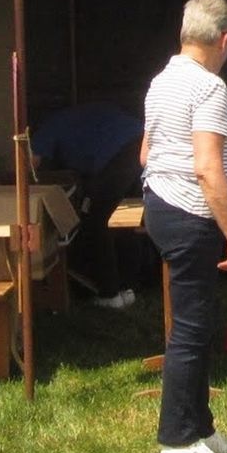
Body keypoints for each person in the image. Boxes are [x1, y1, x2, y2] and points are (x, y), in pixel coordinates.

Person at [141, 0, 227, 453]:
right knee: (190, 329)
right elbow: (208, 169)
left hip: (162, 205)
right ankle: (177, 442)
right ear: (225, 40)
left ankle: (201, 427)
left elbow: (146, 154)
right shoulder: (210, 88)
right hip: (192, 212)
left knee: (198, 323)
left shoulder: (161, 81)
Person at [31, 101, 143, 306]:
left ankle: (109, 294)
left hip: (119, 155)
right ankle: (129, 288)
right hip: (143, 144)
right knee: (125, 220)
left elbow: (31, 164)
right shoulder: (77, 117)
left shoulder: (49, 126)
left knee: (98, 222)